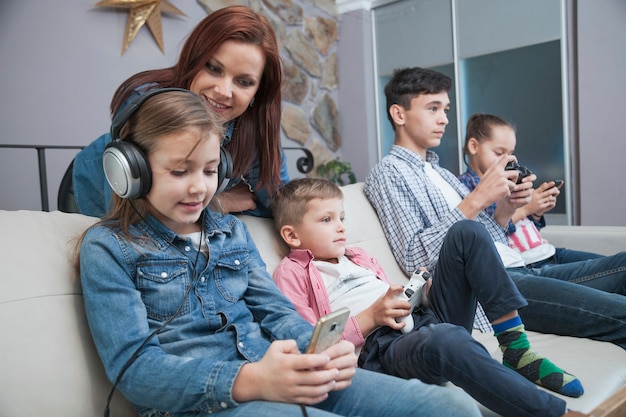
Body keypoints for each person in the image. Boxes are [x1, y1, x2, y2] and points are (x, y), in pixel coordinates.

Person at [75, 89, 481, 417]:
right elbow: (135, 369)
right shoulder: (108, 248)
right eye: (180, 171)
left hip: (281, 376)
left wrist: (321, 349)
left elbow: (277, 312)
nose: (200, 188)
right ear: (131, 171)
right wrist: (251, 381)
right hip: (202, 404)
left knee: (451, 406)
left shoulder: (230, 230)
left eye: (210, 169)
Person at [363, 67, 626, 355]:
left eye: (446, 109)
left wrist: (506, 208)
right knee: (619, 313)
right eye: (433, 108)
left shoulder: (442, 173)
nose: (444, 119)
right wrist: (476, 199)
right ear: (399, 115)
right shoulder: (388, 173)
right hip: (494, 285)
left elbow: (492, 238)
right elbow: (414, 256)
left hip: (523, 267)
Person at [271, 177, 587, 417]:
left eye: (341, 218)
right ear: (292, 235)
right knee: (446, 339)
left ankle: (516, 348)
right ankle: (554, 413)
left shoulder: (358, 256)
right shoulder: (292, 273)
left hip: (421, 318)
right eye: (327, 220)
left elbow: (393, 297)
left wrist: (422, 291)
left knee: (467, 232)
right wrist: (372, 318)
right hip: (383, 349)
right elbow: (312, 344)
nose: (340, 228)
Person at [73, 5, 288, 218]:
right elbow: (141, 214)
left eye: (243, 82)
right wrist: (219, 202)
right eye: (213, 68)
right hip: (100, 200)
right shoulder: (146, 101)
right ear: (194, 59)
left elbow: (283, 208)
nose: (223, 91)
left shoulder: (254, 130)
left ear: (258, 92)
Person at [459, 113, 624, 270]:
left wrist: (536, 211)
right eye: (499, 153)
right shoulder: (464, 187)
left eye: (510, 153)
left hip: (547, 251)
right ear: (474, 146)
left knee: (617, 266)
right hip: (531, 264)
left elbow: (525, 228)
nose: (508, 160)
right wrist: (526, 208)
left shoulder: (509, 179)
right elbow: (490, 232)